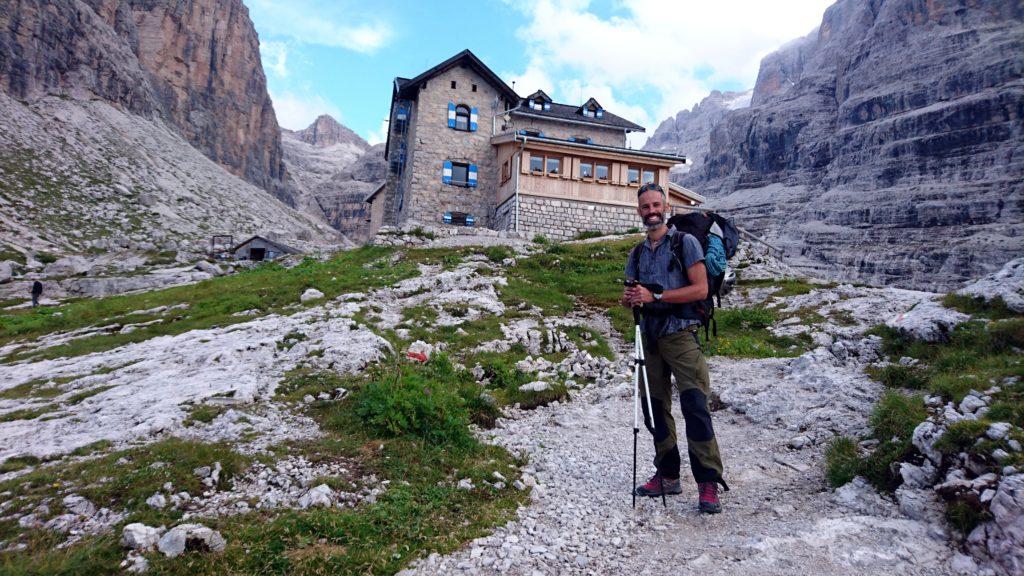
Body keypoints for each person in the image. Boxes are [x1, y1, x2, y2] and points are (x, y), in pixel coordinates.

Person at [621, 182, 728, 514]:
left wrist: (656, 296)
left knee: (695, 406)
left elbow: (699, 290)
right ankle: (667, 474)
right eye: (645, 207)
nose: (651, 211)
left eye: (656, 205)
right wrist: (630, 298)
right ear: (639, 212)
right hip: (650, 337)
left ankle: (708, 482)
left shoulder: (687, 243)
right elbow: (630, 295)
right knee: (654, 409)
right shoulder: (637, 254)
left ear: (665, 207)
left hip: (681, 336)